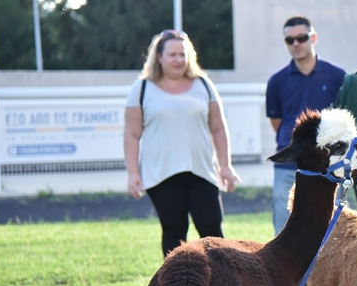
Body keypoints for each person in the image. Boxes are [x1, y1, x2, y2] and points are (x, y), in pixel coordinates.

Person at [123, 29, 240, 257]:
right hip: (161, 174)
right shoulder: (142, 88)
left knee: (212, 230)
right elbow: (132, 134)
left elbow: (218, 128)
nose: (178, 59)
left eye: (182, 54)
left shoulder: (203, 84)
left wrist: (225, 166)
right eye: (172, 54)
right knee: (174, 233)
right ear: (159, 57)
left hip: (202, 171)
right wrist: (133, 172)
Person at [266, 16, 345, 235]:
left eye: (301, 38)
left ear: (313, 37)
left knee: (334, 227)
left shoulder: (338, 77)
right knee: (283, 223)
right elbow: (278, 123)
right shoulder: (277, 81)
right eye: (289, 40)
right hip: (289, 164)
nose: (296, 44)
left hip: (328, 163)